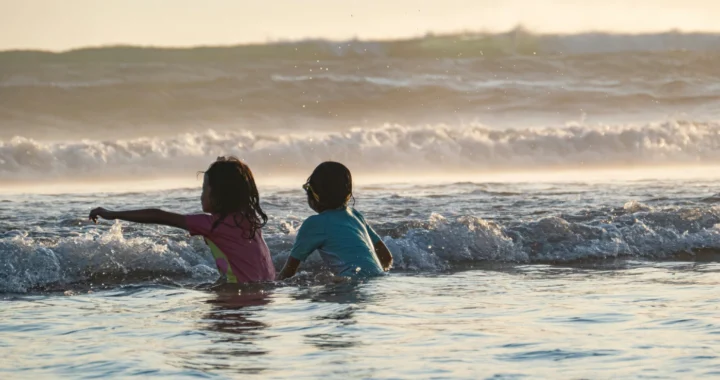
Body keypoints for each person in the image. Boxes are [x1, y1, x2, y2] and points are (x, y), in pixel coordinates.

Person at [88, 156, 275, 284]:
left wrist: (113, 214)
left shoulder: (213, 225)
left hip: (243, 294)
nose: (201, 196)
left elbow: (157, 215)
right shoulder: (250, 219)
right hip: (267, 288)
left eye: (204, 189)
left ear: (218, 195)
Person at [277, 162, 393, 280]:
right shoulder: (355, 215)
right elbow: (386, 257)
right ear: (348, 194)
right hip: (377, 278)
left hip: (349, 281)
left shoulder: (314, 223)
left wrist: (273, 288)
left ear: (313, 195)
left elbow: (289, 270)